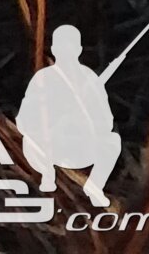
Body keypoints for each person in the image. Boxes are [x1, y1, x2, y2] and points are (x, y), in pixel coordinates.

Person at [18, 25, 124, 204]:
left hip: (81, 147)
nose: (66, 53)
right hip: (49, 148)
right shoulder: (43, 78)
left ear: (79, 50)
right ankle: (47, 177)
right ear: (54, 50)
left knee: (112, 141)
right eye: (61, 47)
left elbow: (106, 120)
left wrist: (86, 112)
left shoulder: (89, 78)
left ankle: (94, 187)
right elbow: (23, 120)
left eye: (71, 47)